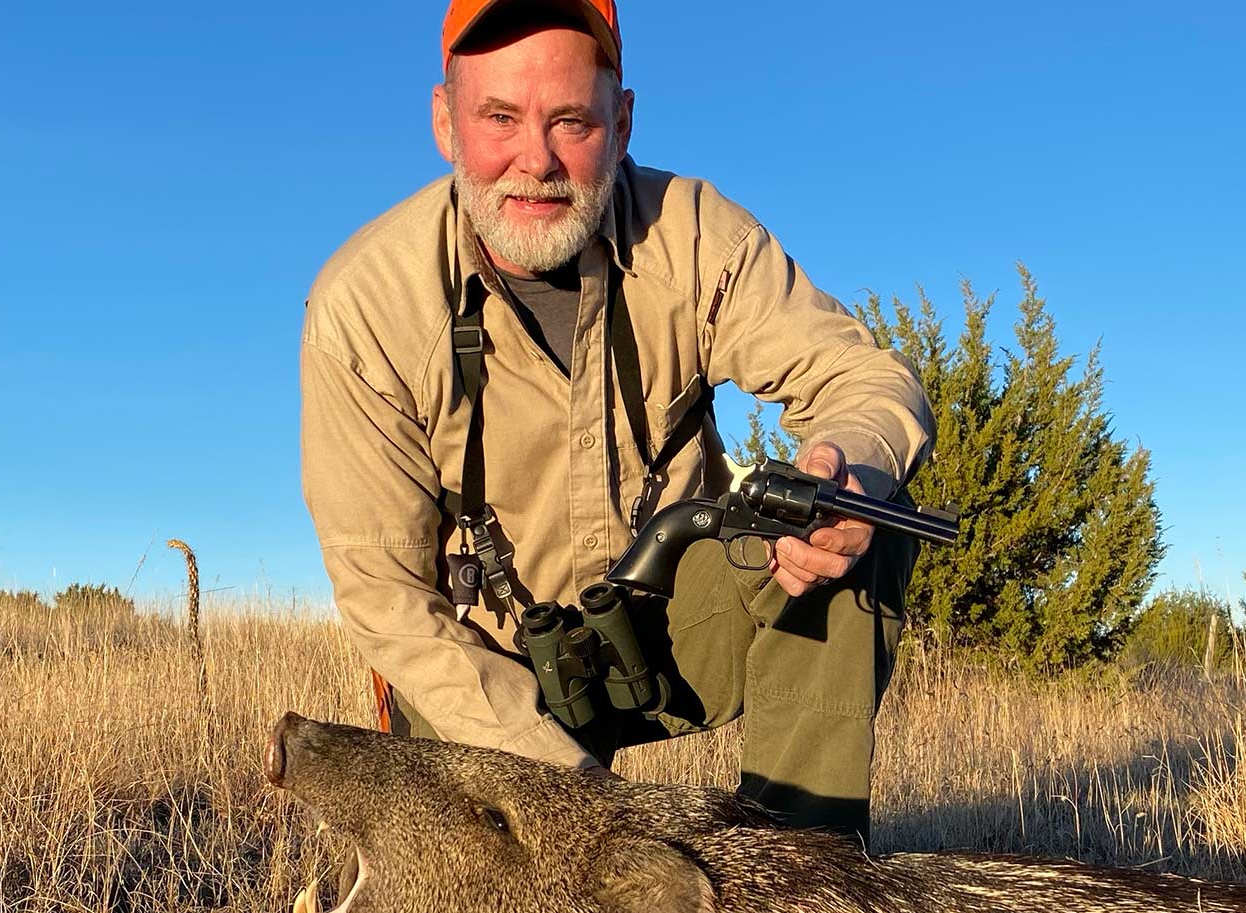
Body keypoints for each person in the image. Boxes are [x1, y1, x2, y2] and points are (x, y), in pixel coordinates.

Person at [300, 0, 934, 847]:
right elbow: (387, 600)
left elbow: (863, 378)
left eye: (571, 121)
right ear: (446, 122)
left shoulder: (698, 232)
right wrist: (581, 802)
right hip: (480, 677)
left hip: (665, 634)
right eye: (499, 117)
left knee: (861, 522)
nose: (537, 160)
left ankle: (796, 901)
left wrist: (850, 467)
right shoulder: (364, 306)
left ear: (623, 121)